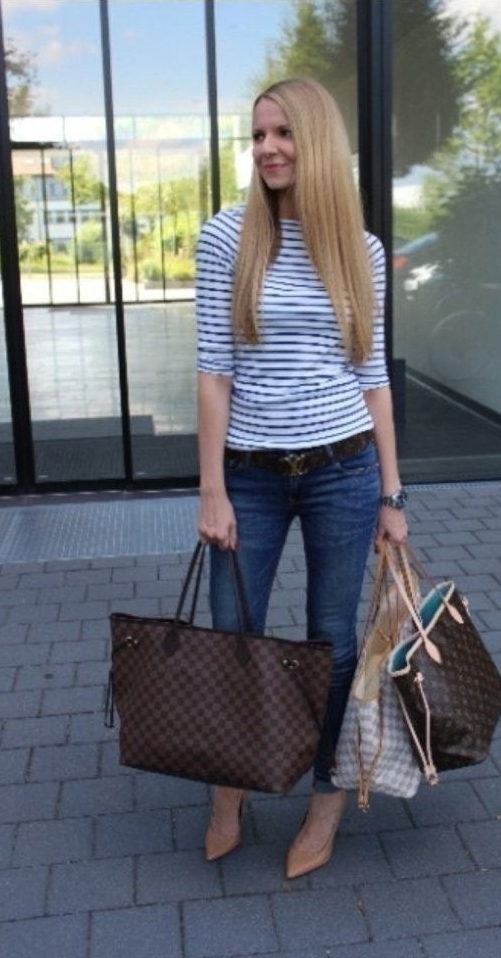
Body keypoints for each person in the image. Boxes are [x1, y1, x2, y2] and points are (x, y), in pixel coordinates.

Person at [195, 77, 408, 879]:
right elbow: (214, 373)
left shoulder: (361, 250)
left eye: (283, 133)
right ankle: (230, 786)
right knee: (232, 638)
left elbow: (372, 377)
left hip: (343, 472)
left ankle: (325, 797)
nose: (267, 149)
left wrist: (392, 495)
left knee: (332, 642)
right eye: (258, 135)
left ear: (316, 141)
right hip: (248, 476)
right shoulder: (227, 237)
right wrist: (212, 490)